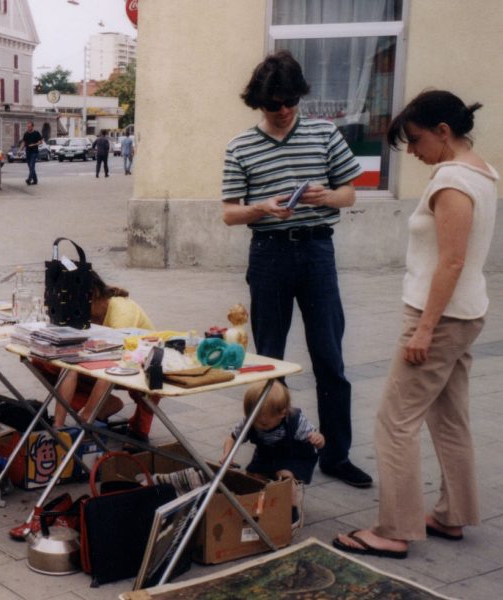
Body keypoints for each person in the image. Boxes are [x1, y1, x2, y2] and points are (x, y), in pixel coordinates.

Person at [333, 91, 496, 559]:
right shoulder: (482, 172)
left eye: (417, 140)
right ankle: (452, 514)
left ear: (443, 132)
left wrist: (424, 329)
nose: (413, 152)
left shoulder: (453, 180)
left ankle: (393, 529)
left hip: (439, 319)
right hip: (463, 313)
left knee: (394, 422)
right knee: (449, 417)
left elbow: (452, 261)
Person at [221, 50, 371, 489]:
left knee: (329, 356)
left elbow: (349, 194)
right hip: (268, 254)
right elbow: (229, 213)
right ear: (259, 102)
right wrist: (262, 208)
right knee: (269, 359)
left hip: (317, 251)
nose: (284, 110)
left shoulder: (325, 134)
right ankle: (269, 451)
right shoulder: (241, 146)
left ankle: (336, 454)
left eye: (291, 101)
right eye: (274, 104)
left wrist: (327, 197)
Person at [43, 271, 159, 443]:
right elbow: (70, 359)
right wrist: (58, 426)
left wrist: (86, 418)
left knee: (143, 377)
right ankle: (100, 407)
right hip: (101, 363)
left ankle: (133, 427)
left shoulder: (122, 312)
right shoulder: (85, 312)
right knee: (47, 362)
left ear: (94, 294)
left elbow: (112, 363)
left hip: (136, 366)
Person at [221, 381, 325, 526]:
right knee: (254, 478)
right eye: (254, 420)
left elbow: (320, 442)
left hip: (293, 456)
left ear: (283, 413)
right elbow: (232, 438)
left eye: (264, 424)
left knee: (285, 476)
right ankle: (257, 507)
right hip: (266, 455)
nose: (258, 425)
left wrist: (318, 439)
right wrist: (228, 455)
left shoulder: (295, 421)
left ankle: (291, 511)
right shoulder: (252, 420)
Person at [20, 121, 43, 185]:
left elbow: (40, 142)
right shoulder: (26, 134)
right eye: (27, 127)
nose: (28, 128)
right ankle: (35, 180)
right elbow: (23, 143)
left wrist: (34, 144)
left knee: (32, 166)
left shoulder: (36, 133)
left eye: (29, 127)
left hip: (34, 151)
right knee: (30, 167)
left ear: (32, 127)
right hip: (28, 152)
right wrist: (19, 150)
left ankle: (29, 179)